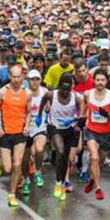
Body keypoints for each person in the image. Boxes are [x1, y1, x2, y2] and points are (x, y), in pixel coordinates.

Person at [38, 73, 84, 202]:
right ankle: (58, 183)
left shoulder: (76, 98)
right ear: (59, 86)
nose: (65, 92)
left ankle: (63, 183)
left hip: (69, 129)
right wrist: (39, 115)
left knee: (66, 158)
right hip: (55, 127)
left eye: (68, 89)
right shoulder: (51, 95)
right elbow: (43, 101)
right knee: (60, 151)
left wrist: (75, 121)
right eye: (63, 89)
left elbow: (82, 114)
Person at [0, 66, 32, 207]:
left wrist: (27, 126)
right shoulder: (2, 92)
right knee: (8, 169)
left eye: (18, 76)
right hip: (5, 133)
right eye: (13, 77)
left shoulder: (27, 93)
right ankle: (2, 163)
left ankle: (12, 194)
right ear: (9, 76)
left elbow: (28, 112)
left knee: (17, 163)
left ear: (22, 77)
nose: (16, 79)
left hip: (20, 133)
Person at [83, 69, 110, 200]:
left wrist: (109, 115)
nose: (100, 82)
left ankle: (93, 180)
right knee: (94, 158)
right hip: (91, 131)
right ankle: (98, 189)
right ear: (94, 80)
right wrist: (80, 121)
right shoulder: (88, 94)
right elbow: (83, 110)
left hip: (106, 133)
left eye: (102, 80)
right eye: (97, 80)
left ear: (106, 81)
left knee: (100, 163)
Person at [23, 70, 48, 193]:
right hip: (26, 127)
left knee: (39, 150)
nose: (35, 82)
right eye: (32, 79)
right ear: (28, 80)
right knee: (25, 158)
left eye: (37, 79)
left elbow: (50, 107)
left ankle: (38, 170)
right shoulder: (24, 92)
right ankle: (26, 178)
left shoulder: (44, 92)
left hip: (40, 126)